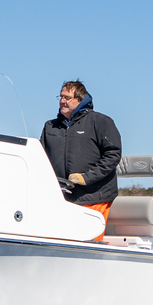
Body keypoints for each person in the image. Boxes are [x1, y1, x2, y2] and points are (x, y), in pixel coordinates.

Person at [39, 80, 122, 227]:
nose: (62, 101)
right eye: (60, 97)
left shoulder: (100, 122)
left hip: (94, 197)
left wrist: (86, 178)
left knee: (88, 239)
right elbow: (41, 158)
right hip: (61, 199)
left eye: (67, 98)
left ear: (80, 99)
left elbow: (113, 154)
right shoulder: (50, 127)